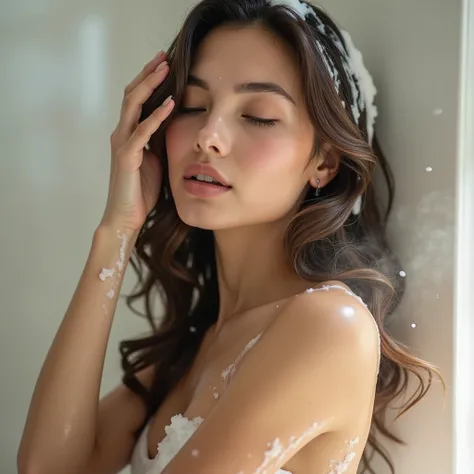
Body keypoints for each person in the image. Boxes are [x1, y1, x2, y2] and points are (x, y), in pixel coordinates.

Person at [17, 0, 445, 473]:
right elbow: (47, 468)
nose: (208, 135)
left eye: (258, 115)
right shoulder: (198, 344)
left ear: (325, 161)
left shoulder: (329, 326)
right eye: (195, 106)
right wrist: (116, 230)